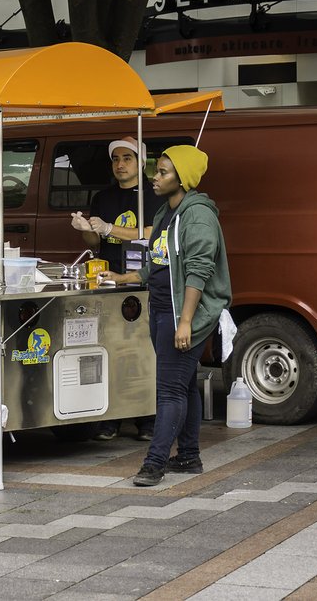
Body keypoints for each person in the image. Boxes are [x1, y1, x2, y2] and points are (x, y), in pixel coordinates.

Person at [99, 145, 231, 487]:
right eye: (156, 171)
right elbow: (156, 263)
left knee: (169, 390)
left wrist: (185, 321)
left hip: (181, 314)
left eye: (163, 172)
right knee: (184, 385)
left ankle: (154, 463)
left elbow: (198, 271)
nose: (154, 178)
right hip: (160, 310)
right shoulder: (165, 212)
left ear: (182, 178)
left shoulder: (197, 216)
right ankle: (188, 457)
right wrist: (124, 278)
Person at [70, 136, 161, 442]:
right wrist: (87, 230)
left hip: (142, 280)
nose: (120, 164)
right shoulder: (103, 198)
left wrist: (110, 228)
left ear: (141, 162)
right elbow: (96, 243)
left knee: (143, 351)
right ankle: (111, 419)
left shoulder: (153, 194)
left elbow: (152, 234)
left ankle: (147, 419)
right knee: (110, 349)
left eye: (127, 158)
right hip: (108, 281)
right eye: (116, 159)